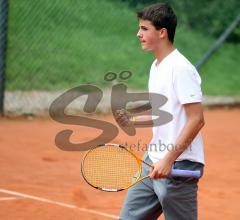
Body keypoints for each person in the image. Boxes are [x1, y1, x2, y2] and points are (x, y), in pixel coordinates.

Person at [116, 3, 205, 220]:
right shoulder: (156, 66)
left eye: (145, 29)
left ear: (162, 32)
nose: (138, 34)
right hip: (152, 161)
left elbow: (197, 120)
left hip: (180, 164)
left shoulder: (180, 68)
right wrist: (133, 119)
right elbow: (163, 112)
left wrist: (168, 160)